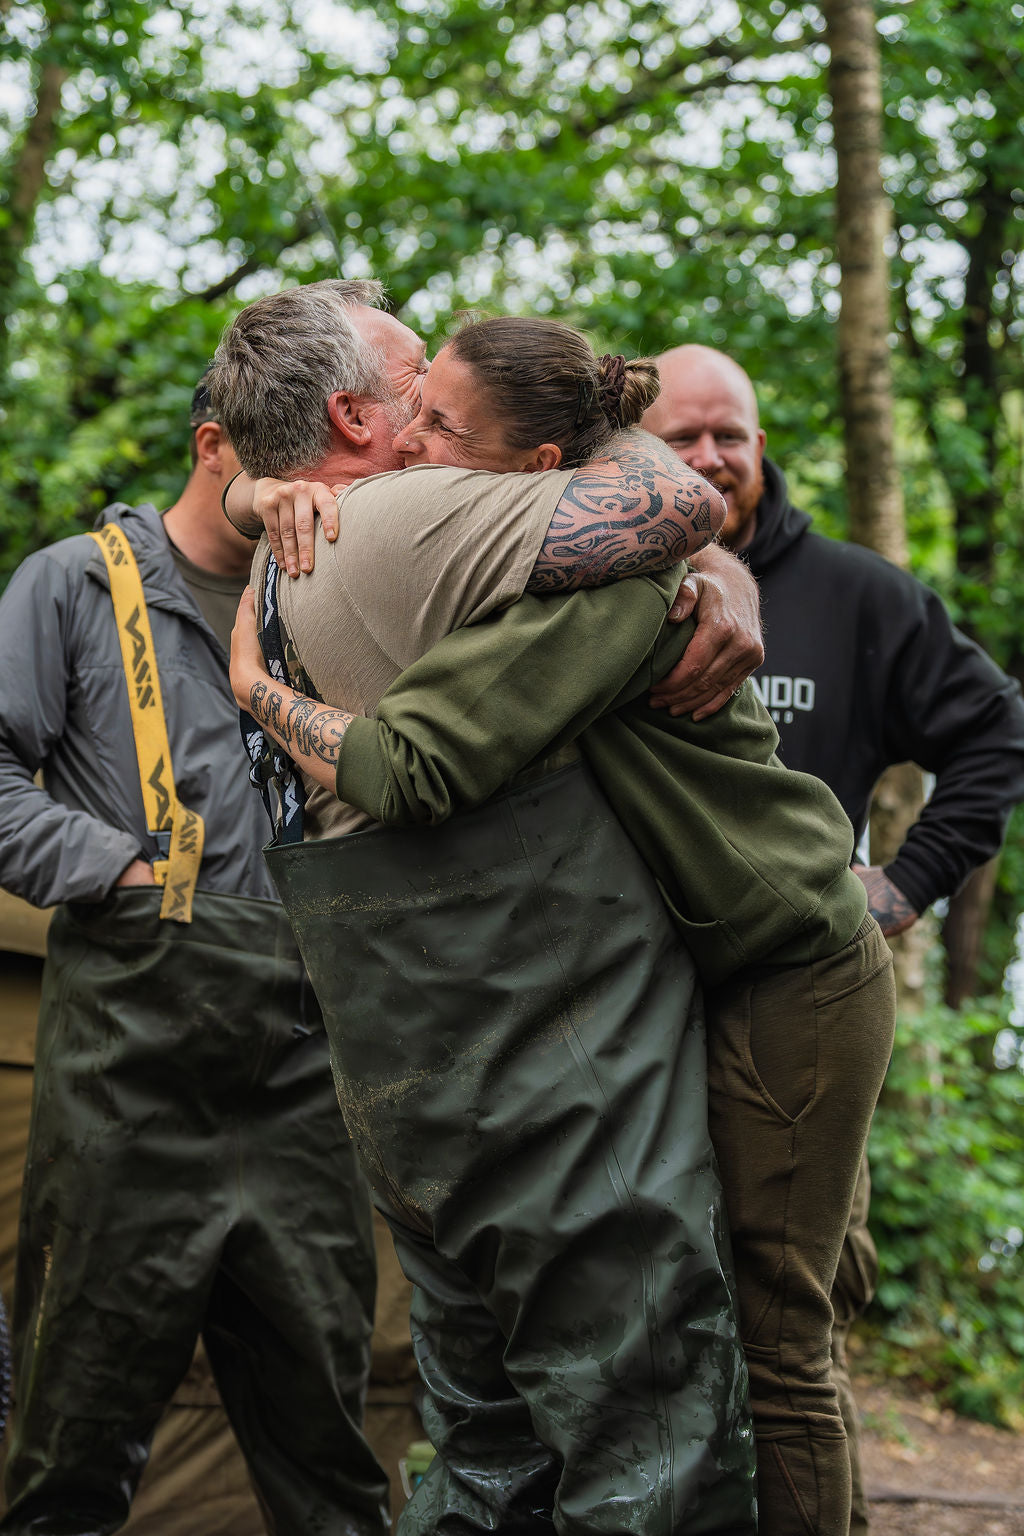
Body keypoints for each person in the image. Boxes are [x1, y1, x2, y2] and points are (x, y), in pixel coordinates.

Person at [222, 308, 896, 1536]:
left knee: (764, 1339)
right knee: (696, 1372)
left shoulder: (389, 556)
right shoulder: (454, 530)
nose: (424, 431)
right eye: (411, 396)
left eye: (447, 411)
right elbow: (653, 508)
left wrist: (256, 676)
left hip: (778, 960)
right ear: (349, 419)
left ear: (534, 466)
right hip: (655, 991)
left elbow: (416, 757)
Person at [641, 342, 1024, 1534]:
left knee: (793, 1318)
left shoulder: (855, 597)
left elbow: (995, 737)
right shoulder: (607, 586)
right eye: (683, 437)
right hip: (634, 1005)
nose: (711, 458)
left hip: (798, 1007)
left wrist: (903, 885)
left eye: (731, 435)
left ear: (763, 445)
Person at [0, 380, 389, 1536]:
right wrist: (118, 870)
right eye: (297, 463)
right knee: (70, 1444)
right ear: (215, 445)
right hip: (131, 1074)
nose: (319, 496)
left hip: (309, 1078)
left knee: (329, 1447)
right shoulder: (72, 585)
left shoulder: (344, 596)